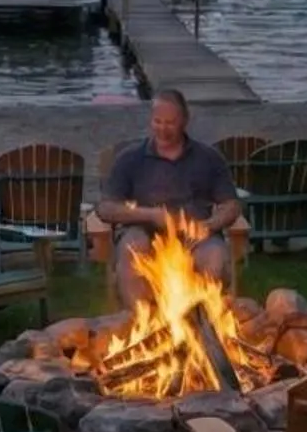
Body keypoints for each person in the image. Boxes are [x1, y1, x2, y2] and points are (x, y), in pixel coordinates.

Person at [97, 90, 241, 305]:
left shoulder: (208, 158)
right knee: (132, 249)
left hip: (196, 235)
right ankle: (140, 319)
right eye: (158, 122)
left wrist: (209, 225)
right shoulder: (130, 158)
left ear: (185, 120)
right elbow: (106, 208)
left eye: (170, 123)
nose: (163, 129)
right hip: (144, 232)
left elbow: (231, 205)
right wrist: (149, 214)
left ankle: (203, 319)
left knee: (215, 258)